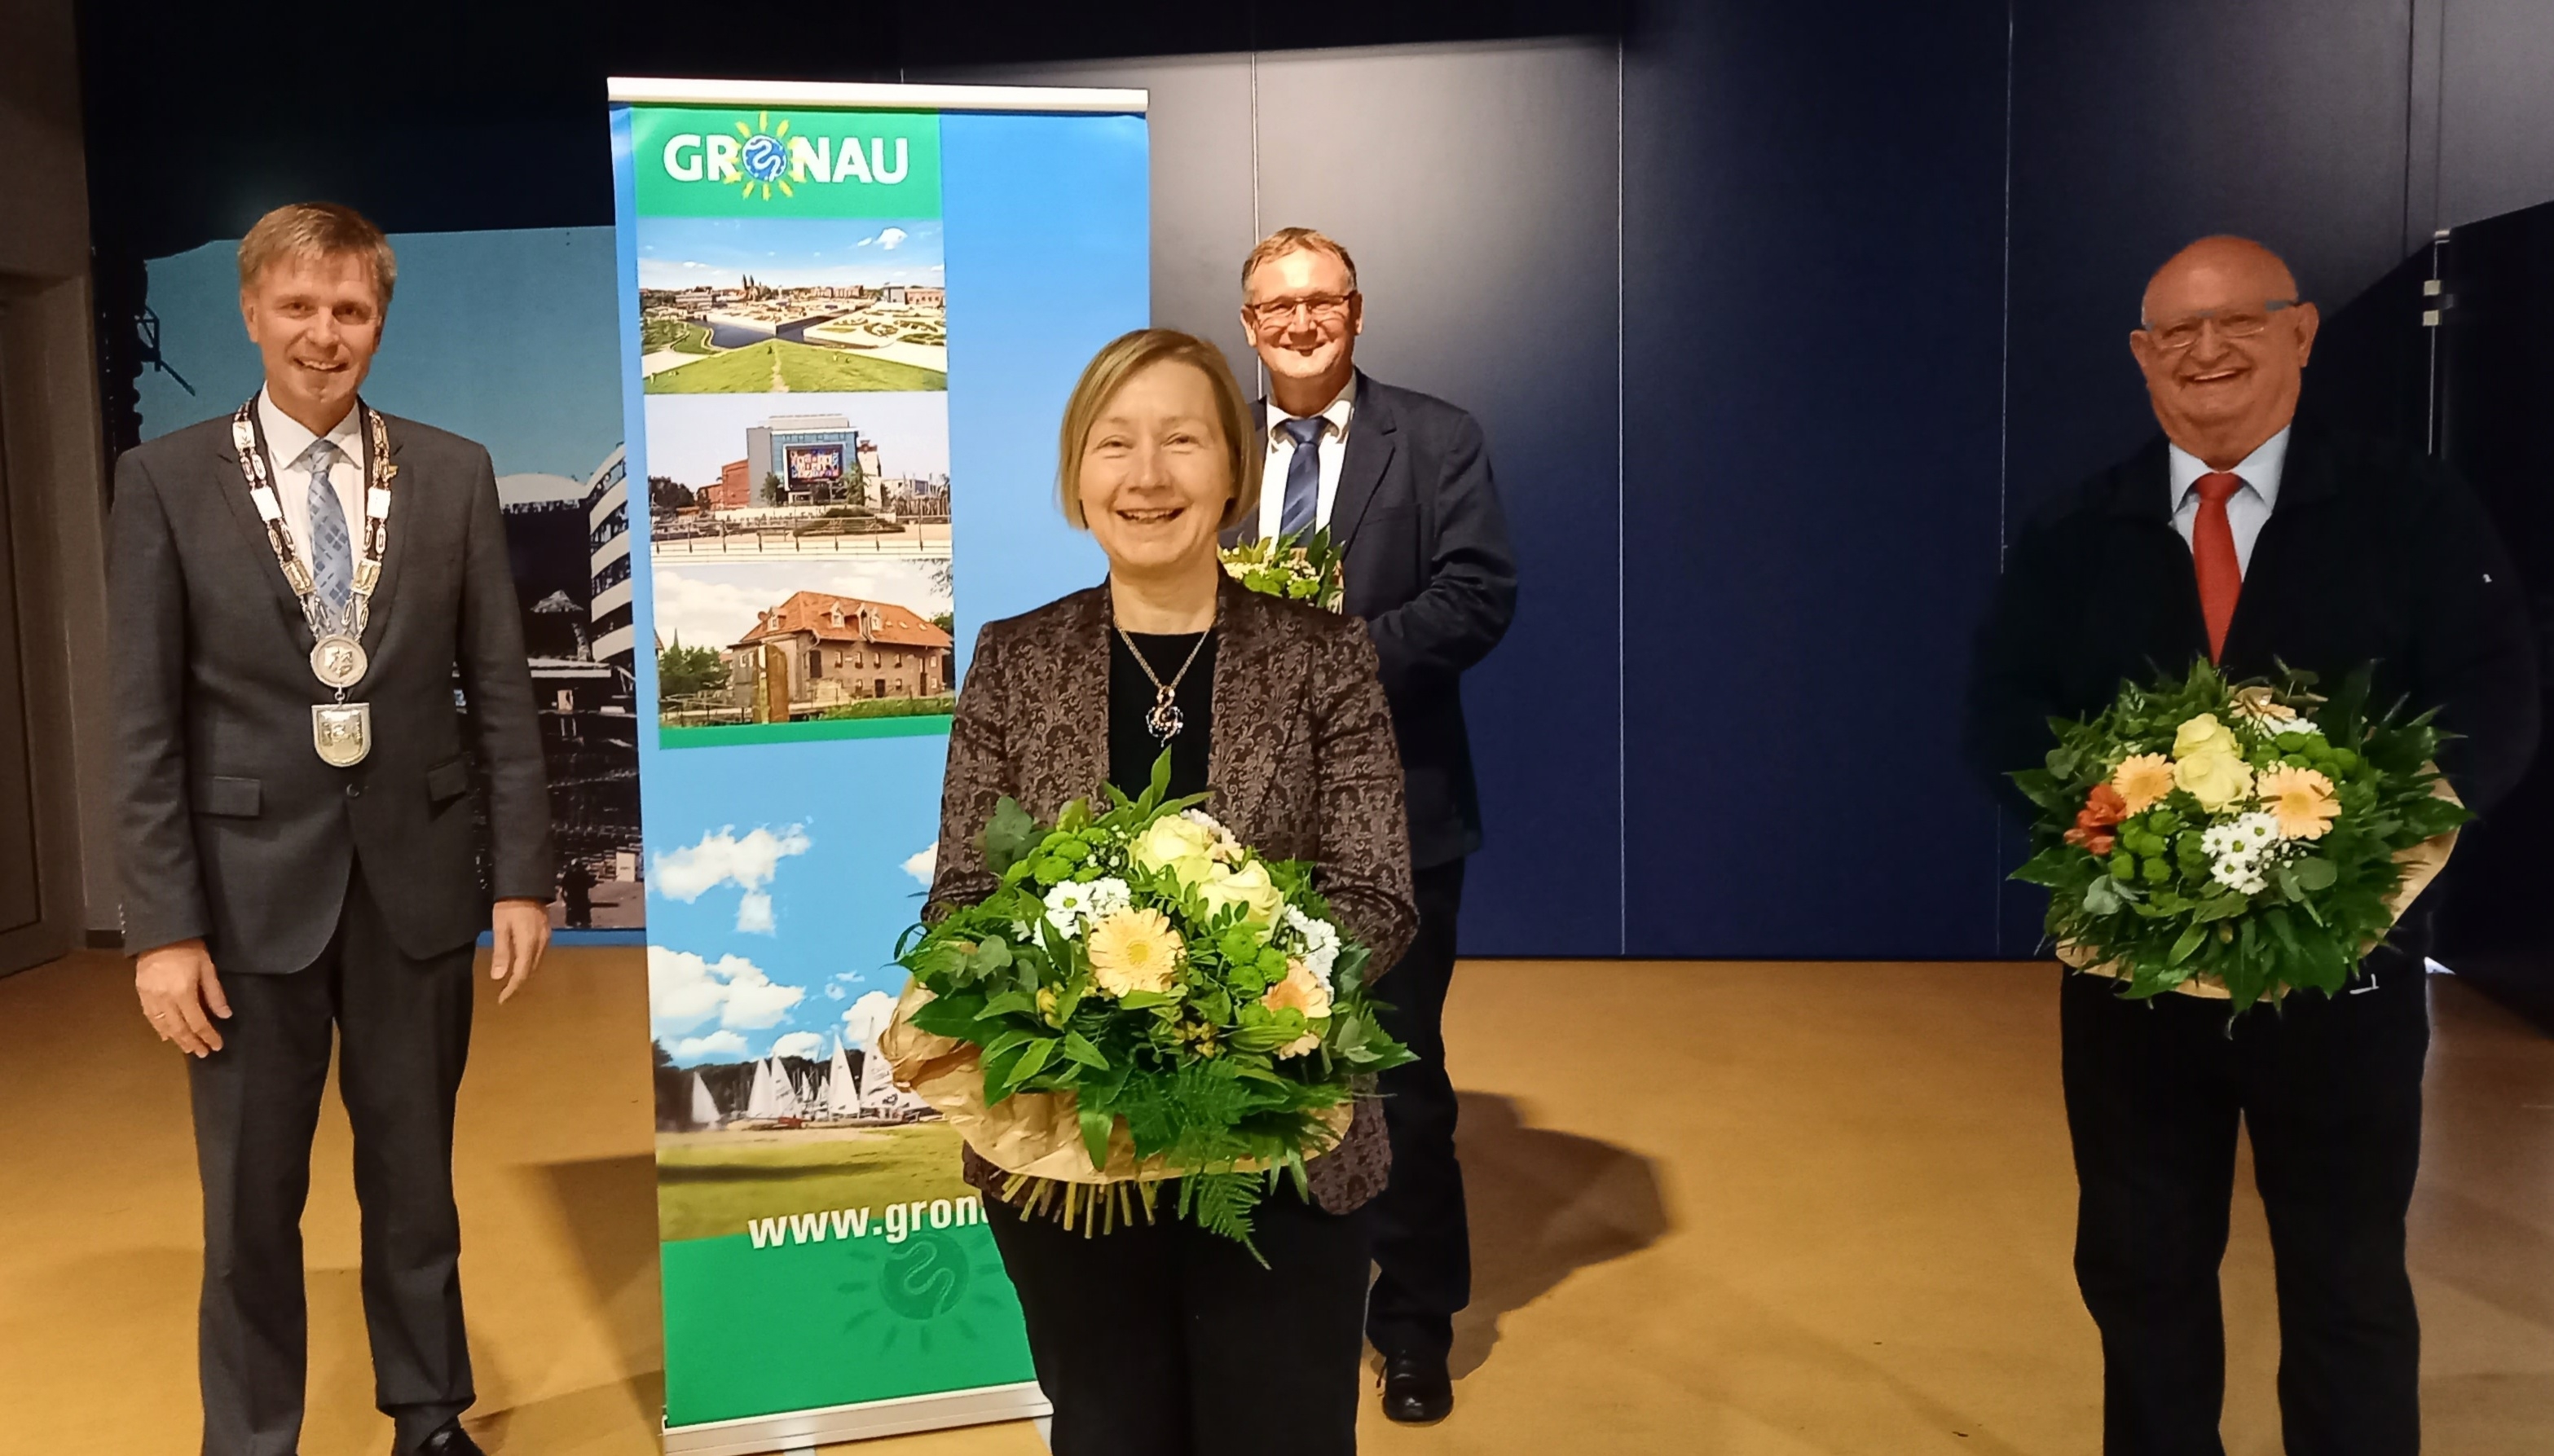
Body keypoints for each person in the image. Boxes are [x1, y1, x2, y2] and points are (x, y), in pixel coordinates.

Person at [1971, 235, 2539, 1455]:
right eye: (2175, 333)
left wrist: (2394, 837)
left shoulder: (2410, 508)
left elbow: (2493, 692)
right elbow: (2001, 715)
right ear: (2140, 357)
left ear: (2300, 331)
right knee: (2141, 1266)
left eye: (2238, 321)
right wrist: (2099, 830)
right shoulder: (2076, 531)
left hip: (2345, 977)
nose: (2206, 351)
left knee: (2344, 1278)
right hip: (2133, 989)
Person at [109, 202, 556, 1456]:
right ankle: (252, 1438)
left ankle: (427, 1416)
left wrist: (518, 877)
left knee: (415, 1181)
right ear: (250, 312)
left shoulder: (454, 471)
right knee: (251, 1201)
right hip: (244, 903)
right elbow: (141, 726)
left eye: (350, 309)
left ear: (379, 321)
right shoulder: (162, 483)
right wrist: (161, 931)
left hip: (415, 881)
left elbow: (502, 691)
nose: (323, 334)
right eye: (298, 307)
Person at [927, 327, 1417, 1456]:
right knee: (1109, 1428)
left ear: (1233, 471)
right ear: (1075, 477)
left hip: (1284, 1137)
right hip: (1067, 1142)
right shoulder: (1011, 656)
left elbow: (1375, 892)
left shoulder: (1324, 657)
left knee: (1279, 1431)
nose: (1147, 476)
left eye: (1182, 441)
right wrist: (1079, 1004)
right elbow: (962, 890)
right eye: (1115, 444)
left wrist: (1214, 1003)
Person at [1231, 226, 1516, 1423]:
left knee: (1398, 1082)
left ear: (1356, 310)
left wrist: (1331, 659)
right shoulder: (1213, 436)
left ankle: (1411, 1325)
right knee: (1242, 1067)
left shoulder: (1437, 435)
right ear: (1247, 323)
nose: (1299, 322)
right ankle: (1267, 1303)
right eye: (1274, 306)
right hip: (1234, 823)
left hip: (1397, 813)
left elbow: (1475, 594)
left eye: (1320, 301)